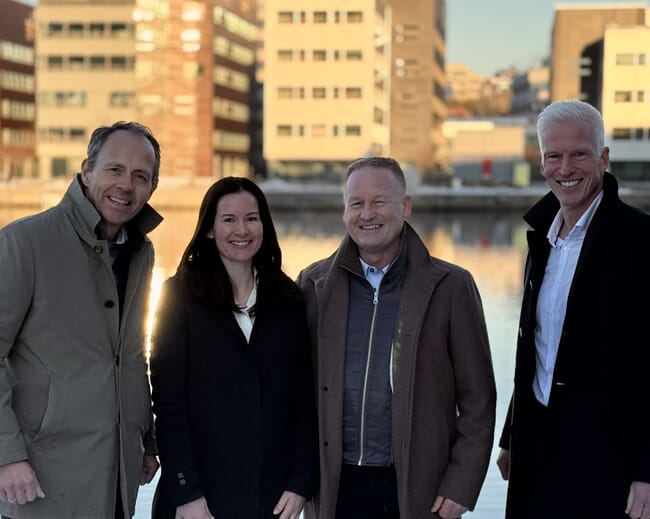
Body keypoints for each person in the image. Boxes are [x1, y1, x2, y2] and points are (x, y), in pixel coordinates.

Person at [297, 157, 496, 519]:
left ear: (404, 207)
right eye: (356, 203)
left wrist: (461, 487)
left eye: (379, 201)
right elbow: (293, 393)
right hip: (332, 488)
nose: (366, 213)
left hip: (417, 489)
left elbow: (478, 400)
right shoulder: (313, 285)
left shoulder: (451, 287)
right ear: (344, 210)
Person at [0, 121, 162, 518]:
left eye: (141, 176)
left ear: (152, 187)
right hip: (41, 473)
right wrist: (6, 455)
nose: (126, 185)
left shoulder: (140, 252)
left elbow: (130, 352)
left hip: (119, 469)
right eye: (114, 169)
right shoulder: (25, 242)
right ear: (87, 171)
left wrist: (146, 436)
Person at [497, 100, 650, 519]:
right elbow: (537, 345)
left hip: (609, 457)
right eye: (554, 156)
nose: (566, 168)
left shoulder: (640, 241)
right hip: (538, 445)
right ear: (542, 161)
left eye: (579, 154)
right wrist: (512, 433)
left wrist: (646, 471)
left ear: (603, 157)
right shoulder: (541, 239)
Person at [150, 177, 318, 519]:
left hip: (270, 498)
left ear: (264, 226)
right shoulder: (179, 295)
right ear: (209, 229)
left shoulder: (289, 300)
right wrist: (186, 493)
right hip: (198, 500)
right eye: (229, 219)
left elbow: (303, 400)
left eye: (251, 218)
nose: (242, 230)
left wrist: (301, 482)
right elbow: (168, 404)